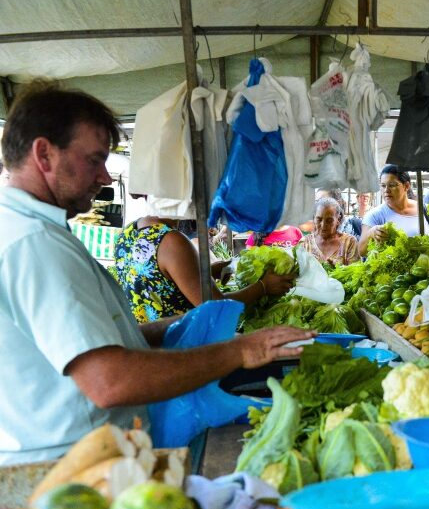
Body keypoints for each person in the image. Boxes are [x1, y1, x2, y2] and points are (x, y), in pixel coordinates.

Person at [0, 81, 312, 464]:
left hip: (79, 458)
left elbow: (83, 343)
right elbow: (108, 380)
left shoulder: (30, 230)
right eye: (95, 159)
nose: (105, 178)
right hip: (74, 468)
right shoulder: (34, 243)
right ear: (44, 154)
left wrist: (173, 325)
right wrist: (240, 350)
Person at [113, 216, 295, 323]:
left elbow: (157, 282)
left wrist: (204, 272)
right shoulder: (171, 240)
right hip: (177, 348)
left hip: (144, 344)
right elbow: (215, 306)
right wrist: (263, 287)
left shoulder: (127, 233)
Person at [359, 164, 429, 255]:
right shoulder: (375, 215)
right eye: (383, 185)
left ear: (406, 186)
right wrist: (371, 233)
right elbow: (361, 251)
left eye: (392, 185)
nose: (386, 190)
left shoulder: (425, 209)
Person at [300, 197, 361, 267]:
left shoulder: (349, 242)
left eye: (329, 221)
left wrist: (338, 269)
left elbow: (356, 273)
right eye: (319, 219)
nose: (323, 225)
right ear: (314, 218)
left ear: (338, 220)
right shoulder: (305, 243)